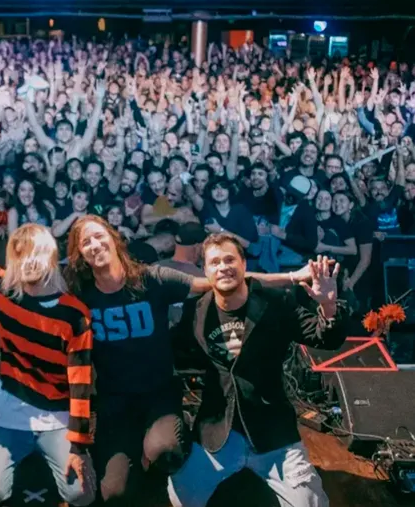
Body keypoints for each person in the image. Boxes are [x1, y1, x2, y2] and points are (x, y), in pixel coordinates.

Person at [64, 215, 316, 505]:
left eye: (99, 236)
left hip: (158, 397)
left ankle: (172, 433)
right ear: (79, 253)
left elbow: (217, 281)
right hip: (115, 403)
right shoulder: (81, 294)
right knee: (114, 494)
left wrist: (293, 277)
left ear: (113, 238)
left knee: (166, 452)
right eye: (86, 242)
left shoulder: (151, 279)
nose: (95, 245)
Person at [168, 235, 347, 507]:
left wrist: (328, 306)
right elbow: (175, 352)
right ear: (205, 270)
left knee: (310, 503)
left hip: (273, 432)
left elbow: (326, 338)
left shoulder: (275, 302)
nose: (223, 267)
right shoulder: (196, 311)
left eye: (230, 259)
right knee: (181, 495)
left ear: (244, 264)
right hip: (218, 432)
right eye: (215, 262)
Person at [0, 224, 96, 506]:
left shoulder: (74, 313)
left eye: (35, 253)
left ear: (50, 257)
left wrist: (78, 445)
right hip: (11, 410)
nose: (28, 261)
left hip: (57, 415)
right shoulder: (1, 289)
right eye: (20, 255)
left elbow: (80, 382)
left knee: (81, 495)